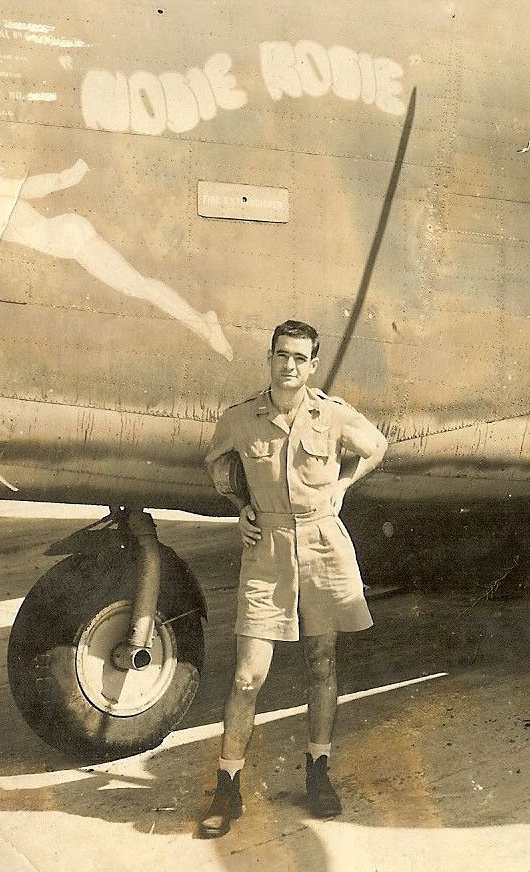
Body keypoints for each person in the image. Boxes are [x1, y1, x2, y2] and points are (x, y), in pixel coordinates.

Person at [201, 319, 388, 837]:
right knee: (248, 676)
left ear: (313, 365)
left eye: (300, 358)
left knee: (322, 662)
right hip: (268, 550)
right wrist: (241, 506)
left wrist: (343, 486)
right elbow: (217, 464)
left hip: (323, 545)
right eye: (282, 355)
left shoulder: (331, 414)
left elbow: (376, 446)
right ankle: (227, 787)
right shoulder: (241, 419)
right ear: (270, 357)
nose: (289, 366)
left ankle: (318, 773)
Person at [0, 124, 233, 360]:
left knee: (138, 285)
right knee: (137, 286)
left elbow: (31, 187)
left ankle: (205, 324)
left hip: (70, 238)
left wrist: (68, 175)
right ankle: (203, 325)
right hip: (67, 240)